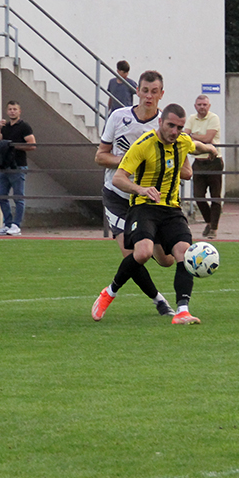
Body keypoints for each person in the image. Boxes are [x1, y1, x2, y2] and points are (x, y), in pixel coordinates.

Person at [91, 103, 220, 325]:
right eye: (170, 126)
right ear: (160, 122)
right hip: (143, 207)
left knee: (182, 253)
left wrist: (210, 149)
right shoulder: (143, 144)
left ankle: (182, 311)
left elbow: (194, 146)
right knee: (142, 253)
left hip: (171, 209)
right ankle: (109, 292)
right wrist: (141, 190)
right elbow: (118, 178)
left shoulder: (182, 141)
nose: (174, 132)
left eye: (179, 127)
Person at [95, 69, 180, 317]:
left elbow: (184, 167)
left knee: (166, 260)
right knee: (133, 255)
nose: (149, 96)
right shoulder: (118, 117)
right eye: (145, 91)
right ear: (137, 91)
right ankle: (159, 301)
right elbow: (100, 156)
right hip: (118, 196)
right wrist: (130, 162)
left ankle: (148, 240)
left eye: (154, 92)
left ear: (161, 94)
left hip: (149, 201)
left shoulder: (166, 123)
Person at [0, 100, 36, 236]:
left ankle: (16, 225)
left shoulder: (24, 126)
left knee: (18, 197)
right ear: (7, 111)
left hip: (18, 165)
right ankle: (7, 224)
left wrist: (13, 146)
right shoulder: (5, 126)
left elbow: (32, 145)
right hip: (4, 165)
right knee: (1, 196)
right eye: (10, 109)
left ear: (19, 111)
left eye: (15, 109)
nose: (12, 111)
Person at [183, 94, 222, 239]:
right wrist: (195, 137)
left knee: (215, 196)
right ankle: (209, 222)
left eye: (204, 104)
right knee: (198, 196)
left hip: (213, 161)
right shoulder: (191, 119)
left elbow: (208, 139)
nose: (202, 107)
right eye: (199, 105)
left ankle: (214, 228)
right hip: (198, 161)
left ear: (209, 106)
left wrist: (193, 136)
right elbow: (184, 136)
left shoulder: (213, 118)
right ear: (195, 106)